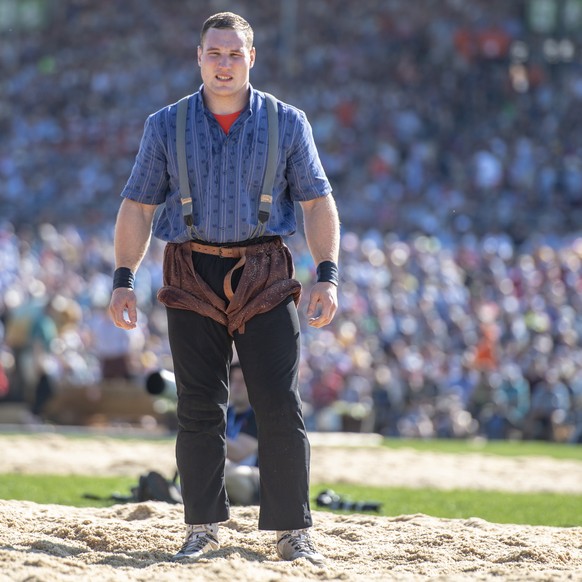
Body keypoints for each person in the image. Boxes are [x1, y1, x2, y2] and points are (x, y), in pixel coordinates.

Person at [108, 12, 339, 565]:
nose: (225, 63)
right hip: (189, 269)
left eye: (235, 53)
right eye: (215, 53)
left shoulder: (289, 123)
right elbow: (137, 207)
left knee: (279, 402)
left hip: (265, 268)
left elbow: (316, 201)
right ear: (199, 57)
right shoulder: (166, 125)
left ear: (251, 58)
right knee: (197, 405)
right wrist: (123, 278)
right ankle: (203, 527)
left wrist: (327, 273)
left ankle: (291, 532)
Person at [224, 362, 260, 506]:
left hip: (255, 478)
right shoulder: (227, 413)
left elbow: (239, 452)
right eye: (233, 381)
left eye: (242, 381)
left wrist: (205, 431)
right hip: (230, 470)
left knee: (223, 473)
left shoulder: (258, 414)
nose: (236, 386)